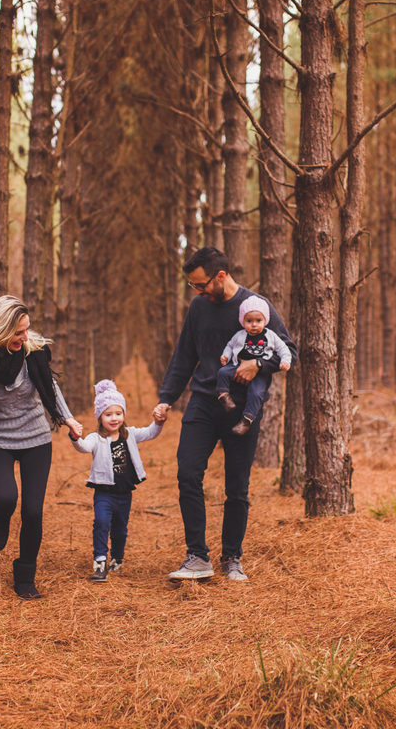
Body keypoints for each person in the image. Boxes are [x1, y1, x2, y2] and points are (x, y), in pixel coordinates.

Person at [153, 248, 297, 582]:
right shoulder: (199, 307)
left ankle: (232, 557)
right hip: (203, 402)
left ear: (220, 276)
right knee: (188, 474)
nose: (197, 292)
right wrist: (166, 398)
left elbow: (289, 350)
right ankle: (197, 557)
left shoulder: (257, 307)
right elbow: (184, 355)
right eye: (193, 286)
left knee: (237, 486)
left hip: (243, 409)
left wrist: (257, 364)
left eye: (200, 285)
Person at [0, 295, 84, 599]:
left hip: (36, 437)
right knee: (4, 498)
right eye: (17, 332)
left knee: (33, 512)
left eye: (26, 330)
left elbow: (50, 387)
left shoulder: (33, 351)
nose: (24, 337)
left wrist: (68, 419)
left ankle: (25, 576)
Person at [69, 380, 165, 582]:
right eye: (108, 414)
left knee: (120, 529)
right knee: (101, 522)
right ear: (100, 417)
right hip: (104, 492)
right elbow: (84, 447)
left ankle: (117, 558)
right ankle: (100, 562)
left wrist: (159, 422)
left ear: (123, 415)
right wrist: (76, 437)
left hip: (124, 492)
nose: (114, 419)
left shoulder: (129, 435)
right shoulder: (96, 438)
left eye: (118, 414)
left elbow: (150, 432)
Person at [216, 295, 292, 436]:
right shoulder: (239, 335)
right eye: (249, 321)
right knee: (222, 372)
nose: (254, 324)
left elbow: (283, 349)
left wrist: (285, 361)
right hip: (238, 364)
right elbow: (230, 345)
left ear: (265, 320)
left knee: (256, 394)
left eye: (258, 320)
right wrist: (225, 355)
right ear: (242, 321)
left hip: (260, 371)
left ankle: (246, 420)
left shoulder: (271, 335)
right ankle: (224, 396)